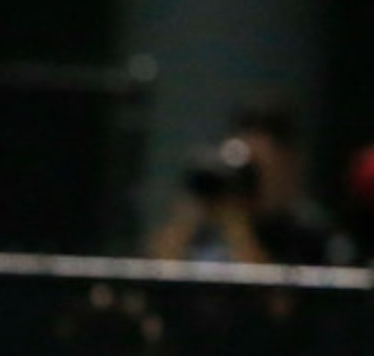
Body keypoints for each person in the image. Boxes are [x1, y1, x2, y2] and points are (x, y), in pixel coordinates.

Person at [144, 100, 344, 267]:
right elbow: (155, 276)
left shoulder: (307, 234)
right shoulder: (210, 222)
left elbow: (279, 307)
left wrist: (237, 227)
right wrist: (187, 218)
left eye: (257, 167)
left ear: (289, 165)